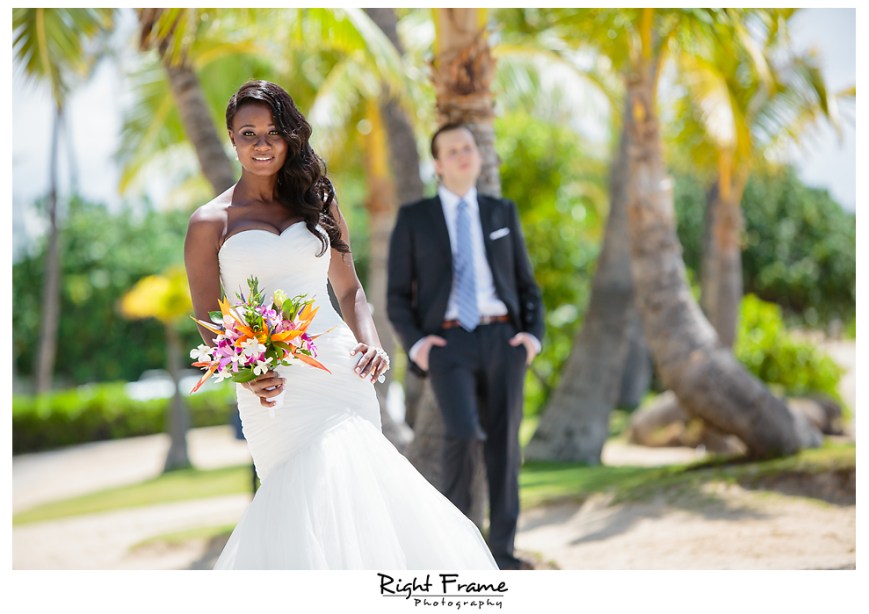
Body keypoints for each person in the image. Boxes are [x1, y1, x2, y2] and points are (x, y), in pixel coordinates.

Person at [184, 80, 496, 570]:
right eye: (248, 134)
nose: (261, 144)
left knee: (362, 492)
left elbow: (351, 291)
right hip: (274, 390)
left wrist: (370, 344)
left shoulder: (318, 201)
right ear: (231, 137)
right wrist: (248, 373)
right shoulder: (210, 221)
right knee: (298, 506)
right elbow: (210, 318)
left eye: (272, 132)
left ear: (289, 137)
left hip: (338, 365)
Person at [386, 124, 544, 570]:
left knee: (504, 446)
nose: (462, 156)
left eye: (468, 148)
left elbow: (527, 286)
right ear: (436, 164)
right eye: (451, 150)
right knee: (462, 435)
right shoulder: (415, 218)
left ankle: (503, 552)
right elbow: (398, 295)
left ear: (478, 156)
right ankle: (457, 551)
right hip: (448, 343)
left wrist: (530, 339)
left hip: (502, 339)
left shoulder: (501, 212)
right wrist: (419, 347)